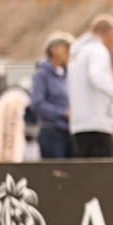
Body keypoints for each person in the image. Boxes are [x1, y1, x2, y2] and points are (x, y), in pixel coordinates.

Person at [68, 14, 113, 158]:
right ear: (111, 33)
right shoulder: (98, 50)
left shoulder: (77, 54)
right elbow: (99, 77)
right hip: (97, 124)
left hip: (79, 124)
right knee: (100, 174)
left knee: (85, 174)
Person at [31, 31, 74, 159]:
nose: (69, 53)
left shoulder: (68, 74)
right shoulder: (42, 74)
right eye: (67, 49)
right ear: (55, 50)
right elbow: (37, 104)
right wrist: (62, 112)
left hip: (69, 132)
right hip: (52, 132)